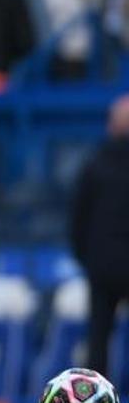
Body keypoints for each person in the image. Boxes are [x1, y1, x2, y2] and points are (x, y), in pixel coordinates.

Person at [71, 95, 129, 376]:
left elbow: (78, 218)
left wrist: (87, 257)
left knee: (98, 338)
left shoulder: (96, 163)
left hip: (102, 262)